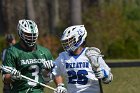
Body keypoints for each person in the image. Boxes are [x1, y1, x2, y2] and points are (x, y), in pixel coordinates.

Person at [52, 25, 113, 93]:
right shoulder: (63, 57)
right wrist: (60, 86)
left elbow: (109, 78)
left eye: (70, 40)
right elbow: (51, 74)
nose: (67, 43)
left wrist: (104, 74)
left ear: (79, 38)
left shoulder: (92, 54)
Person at [2, 19, 54, 93]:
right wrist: (12, 77)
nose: (31, 37)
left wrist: (48, 71)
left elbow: (48, 80)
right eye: (28, 35)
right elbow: (5, 79)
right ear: (20, 33)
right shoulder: (12, 51)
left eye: (33, 35)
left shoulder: (45, 52)